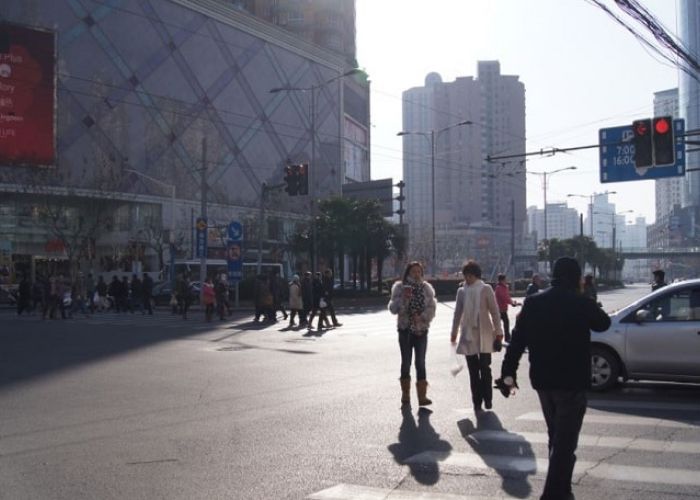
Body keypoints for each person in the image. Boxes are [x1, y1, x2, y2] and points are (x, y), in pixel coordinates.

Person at [498, 257, 611, 500]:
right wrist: (587, 298)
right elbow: (604, 323)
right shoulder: (581, 302)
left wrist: (508, 373)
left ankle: (563, 491)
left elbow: (517, 340)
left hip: (543, 382)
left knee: (557, 438)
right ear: (576, 277)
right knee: (564, 443)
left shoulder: (534, 301)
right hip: (571, 383)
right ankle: (552, 494)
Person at [450, 261, 504, 413]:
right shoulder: (461, 291)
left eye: (470, 276)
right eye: (465, 276)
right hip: (468, 335)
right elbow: (457, 313)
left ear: (477, 275)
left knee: (485, 368)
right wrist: (454, 332)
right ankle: (477, 401)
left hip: (485, 333)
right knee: (473, 372)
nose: (467, 279)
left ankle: (488, 398)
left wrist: (499, 332)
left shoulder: (486, 289)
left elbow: (494, 311)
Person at [389, 261, 437, 406]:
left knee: (420, 362)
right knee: (406, 361)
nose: (416, 274)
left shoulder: (426, 288)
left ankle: (422, 397)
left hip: (421, 330)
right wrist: (403, 299)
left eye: (419, 272)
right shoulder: (399, 287)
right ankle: (405, 394)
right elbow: (392, 308)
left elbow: (432, 307)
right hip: (405, 329)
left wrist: (422, 316)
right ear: (408, 272)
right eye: (413, 271)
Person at [494, 273, 518, 343]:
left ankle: (505, 337)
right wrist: (512, 303)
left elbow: (507, 297)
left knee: (504, 323)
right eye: (505, 279)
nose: (506, 281)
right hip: (499, 309)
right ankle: (502, 338)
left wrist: (512, 302)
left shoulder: (504, 287)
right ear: (501, 280)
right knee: (500, 324)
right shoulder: (499, 288)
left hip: (503, 309)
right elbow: (504, 298)